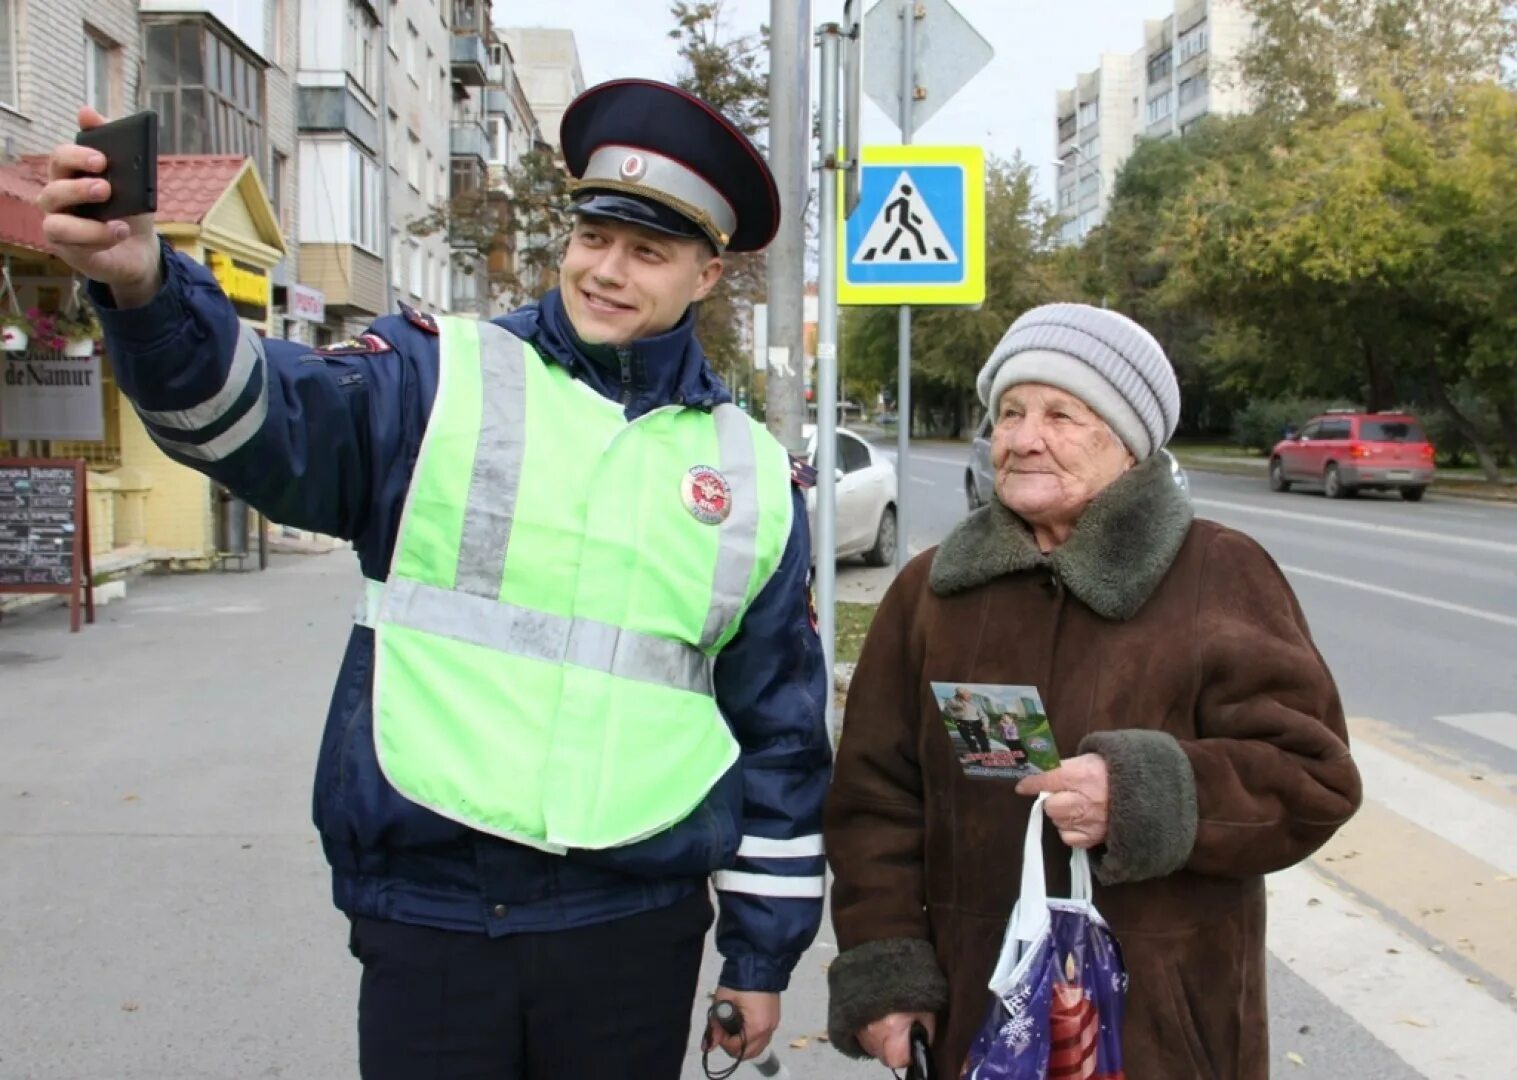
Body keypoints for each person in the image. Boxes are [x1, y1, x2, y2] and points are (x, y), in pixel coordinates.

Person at [37, 80, 831, 1079]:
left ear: (706, 274)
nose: (607, 271)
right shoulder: (433, 377)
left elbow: (781, 735)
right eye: (594, 237)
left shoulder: (752, 472)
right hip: (437, 915)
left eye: (649, 252)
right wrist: (145, 287)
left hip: (634, 926)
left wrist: (759, 958)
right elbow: (258, 417)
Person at [821, 303, 1363, 1078]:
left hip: (1164, 1027)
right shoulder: (930, 592)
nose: (1022, 437)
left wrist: (1144, 795)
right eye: (1009, 412)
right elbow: (876, 799)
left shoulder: (1218, 574)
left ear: (1128, 441)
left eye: (1061, 414)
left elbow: (1311, 780)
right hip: (977, 1016)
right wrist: (886, 973)